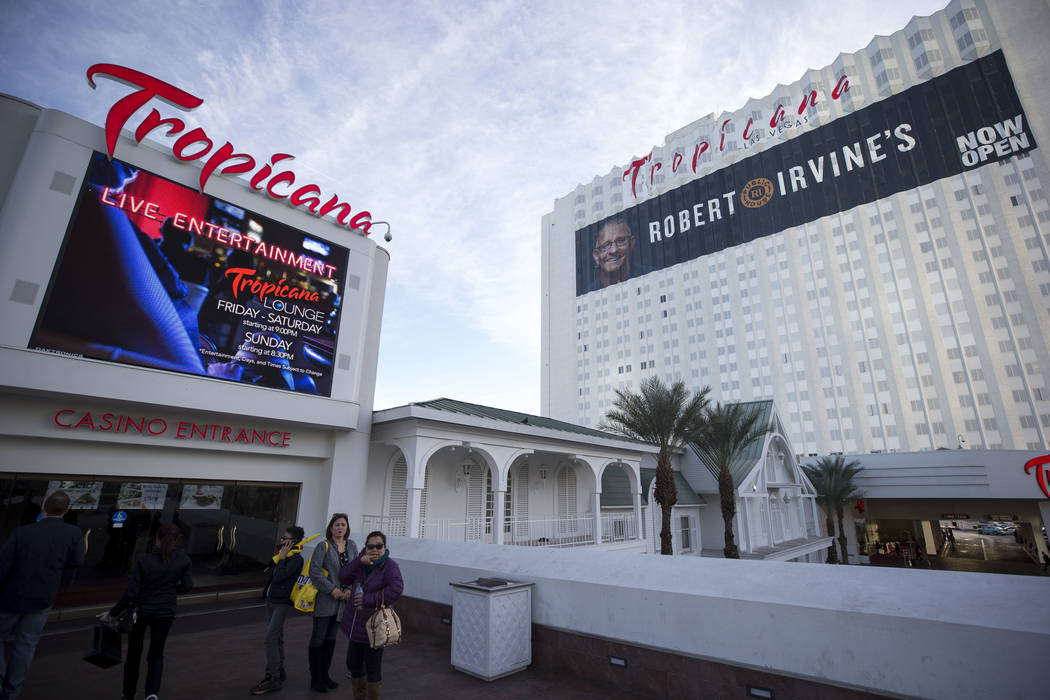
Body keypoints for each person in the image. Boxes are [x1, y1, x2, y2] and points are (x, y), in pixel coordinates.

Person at [0, 490, 84, 699]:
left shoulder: (22, 532)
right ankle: (12, 691)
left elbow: (3, 566)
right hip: (43, 597)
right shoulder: (73, 534)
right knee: (26, 644)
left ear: (43, 508)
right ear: (66, 511)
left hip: (11, 595)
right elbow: (77, 561)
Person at [100, 524, 192, 700]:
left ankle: (128, 694)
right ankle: (152, 693)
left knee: (134, 652)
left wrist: (113, 613)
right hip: (165, 611)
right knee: (157, 652)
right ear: (177, 540)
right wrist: (170, 591)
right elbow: (187, 586)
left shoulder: (143, 560)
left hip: (141, 611)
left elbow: (131, 593)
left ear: (156, 537)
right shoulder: (183, 560)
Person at [339, 531, 404, 700]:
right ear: (365, 547)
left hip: (375, 625)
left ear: (384, 547)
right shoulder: (361, 562)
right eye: (371, 546)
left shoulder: (390, 566)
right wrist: (358, 561)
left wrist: (369, 599)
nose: (375, 549)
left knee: (373, 667)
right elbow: (343, 576)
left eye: (379, 546)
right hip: (356, 623)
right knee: (353, 663)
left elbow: (396, 589)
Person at [251, 526, 306, 696]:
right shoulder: (284, 555)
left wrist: (281, 559)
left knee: (270, 638)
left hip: (282, 601)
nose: (282, 540)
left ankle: (273, 676)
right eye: (282, 537)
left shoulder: (295, 559)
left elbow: (279, 577)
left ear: (293, 541)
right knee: (277, 637)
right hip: (272, 599)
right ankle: (279, 670)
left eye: (285, 538)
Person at [308, 514, 357, 693]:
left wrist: (350, 590)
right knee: (318, 638)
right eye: (337, 525)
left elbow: (356, 570)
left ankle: (325, 675)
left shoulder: (351, 546)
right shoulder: (324, 546)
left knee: (331, 639)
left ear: (347, 528)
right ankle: (315, 678)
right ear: (330, 528)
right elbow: (315, 572)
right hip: (326, 600)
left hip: (343, 603)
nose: (340, 528)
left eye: (343, 525)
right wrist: (332, 590)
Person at [588, 219, 653, 292]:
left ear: (631, 244)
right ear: (596, 256)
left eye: (620, 241)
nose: (613, 250)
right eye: (605, 245)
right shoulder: (588, 293)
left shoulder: (651, 276)